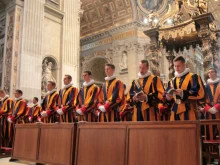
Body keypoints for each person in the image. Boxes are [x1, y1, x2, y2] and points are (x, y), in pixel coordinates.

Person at [165, 56, 205, 121]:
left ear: (184, 65)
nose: (176, 68)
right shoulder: (172, 80)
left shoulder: (193, 77)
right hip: (175, 109)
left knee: (189, 130)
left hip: (189, 109)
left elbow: (200, 93)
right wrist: (168, 97)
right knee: (175, 130)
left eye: (178, 66)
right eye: (175, 66)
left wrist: (183, 93)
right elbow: (167, 93)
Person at [200, 68, 220, 140]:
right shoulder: (206, 86)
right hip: (209, 112)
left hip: (219, 110)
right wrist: (207, 108)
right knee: (210, 131)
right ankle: (210, 150)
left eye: (212, 72)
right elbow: (203, 99)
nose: (210, 74)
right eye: (209, 72)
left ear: (216, 73)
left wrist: (216, 107)